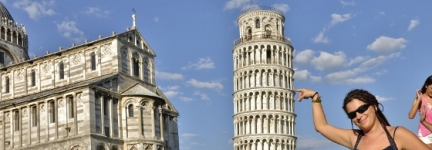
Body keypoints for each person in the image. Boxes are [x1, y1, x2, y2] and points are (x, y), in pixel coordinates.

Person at [295, 88, 430, 149]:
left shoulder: (398, 134)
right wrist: (315, 97)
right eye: (352, 114)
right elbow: (322, 127)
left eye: (362, 109)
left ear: (374, 107)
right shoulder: (354, 138)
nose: (358, 116)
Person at [409, 75, 432, 148]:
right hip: (425, 134)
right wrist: (419, 99)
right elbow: (411, 116)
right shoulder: (419, 99)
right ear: (426, 85)